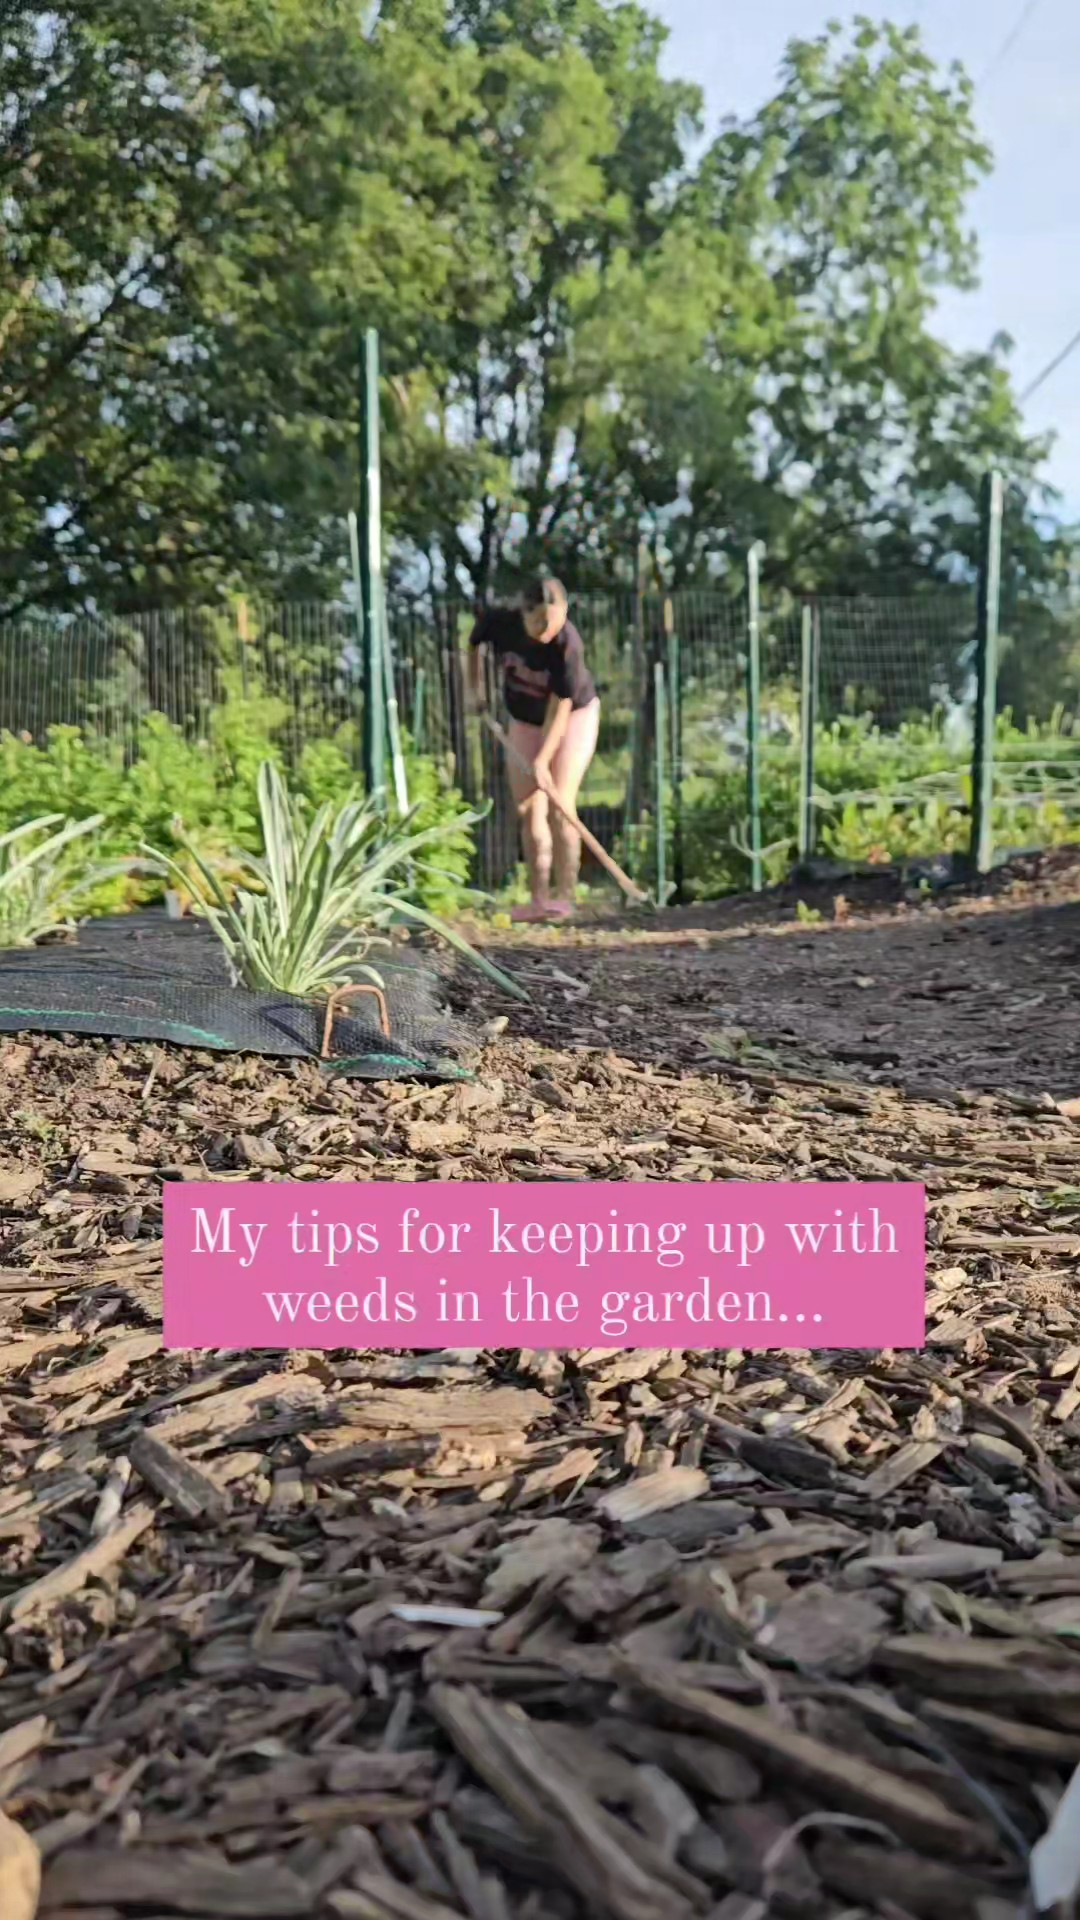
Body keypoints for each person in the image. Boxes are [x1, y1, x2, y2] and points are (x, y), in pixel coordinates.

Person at [467, 577, 600, 922]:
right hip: (524, 719)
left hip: (573, 718)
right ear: (523, 614)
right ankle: (538, 899)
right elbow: (473, 644)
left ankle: (565, 898)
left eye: (554, 620)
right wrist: (474, 690)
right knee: (528, 807)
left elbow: (561, 708)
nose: (546, 629)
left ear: (565, 612)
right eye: (539, 621)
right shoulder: (500, 623)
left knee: (560, 802)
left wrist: (542, 760)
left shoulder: (567, 644)